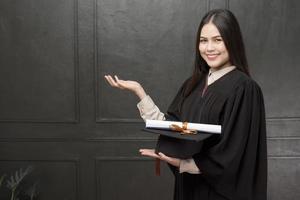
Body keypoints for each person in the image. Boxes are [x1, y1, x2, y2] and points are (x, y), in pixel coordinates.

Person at [104, 9, 267, 200]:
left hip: (219, 194)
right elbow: (172, 127)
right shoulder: (192, 85)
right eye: (203, 40)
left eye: (218, 40)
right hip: (188, 188)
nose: (209, 48)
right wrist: (140, 92)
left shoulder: (244, 89)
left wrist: (185, 163)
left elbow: (235, 153)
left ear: (232, 41)